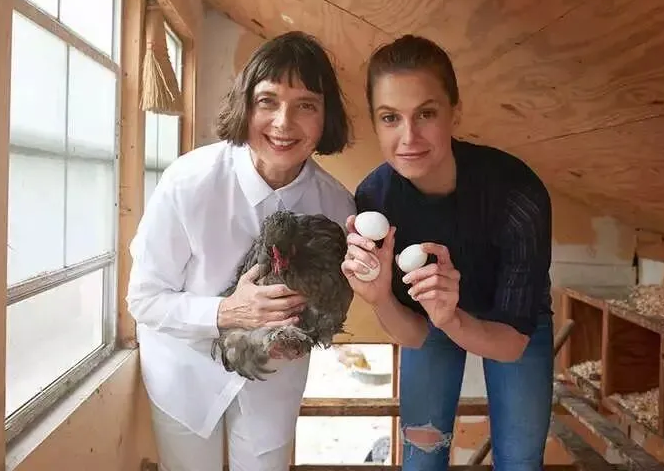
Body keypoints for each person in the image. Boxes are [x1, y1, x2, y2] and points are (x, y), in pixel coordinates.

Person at [127, 31, 356, 471]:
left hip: (273, 378)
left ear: (326, 116)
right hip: (184, 372)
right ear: (245, 104)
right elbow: (144, 300)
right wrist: (229, 312)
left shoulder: (337, 206)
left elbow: (331, 300)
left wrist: (307, 333)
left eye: (306, 105)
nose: (284, 123)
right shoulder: (189, 182)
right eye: (268, 101)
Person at [341, 35, 554, 471]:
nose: (409, 137)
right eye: (390, 117)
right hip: (429, 317)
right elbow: (414, 336)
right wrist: (380, 299)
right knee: (422, 459)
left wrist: (454, 319)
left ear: (455, 112)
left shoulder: (517, 195)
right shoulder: (375, 200)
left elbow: (512, 345)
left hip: (508, 320)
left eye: (426, 113)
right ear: (375, 123)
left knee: (520, 460)